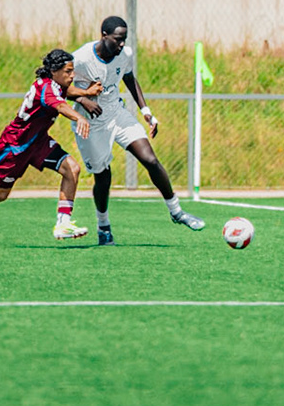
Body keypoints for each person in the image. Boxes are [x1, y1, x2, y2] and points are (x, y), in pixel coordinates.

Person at [69, 16, 204, 244]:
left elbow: (130, 79)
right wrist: (84, 99)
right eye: (117, 39)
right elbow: (58, 85)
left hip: (117, 113)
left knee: (150, 159)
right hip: (91, 123)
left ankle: (176, 211)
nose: (122, 44)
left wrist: (146, 110)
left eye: (124, 39)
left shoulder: (125, 54)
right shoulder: (81, 58)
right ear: (104, 35)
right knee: (103, 176)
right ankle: (103, 226)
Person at [0, 49, 101, 244]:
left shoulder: (54, 85)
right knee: (0, 193)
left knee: (72, 169)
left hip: (38, 141)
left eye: (72, 70)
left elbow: (65, 92)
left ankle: (63, 223)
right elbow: (60, 105)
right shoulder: (48, 90)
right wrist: (79, 117)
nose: (72, 75)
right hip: (14, 145)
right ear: (54, 71)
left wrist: (85, 92)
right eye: (68, 71)